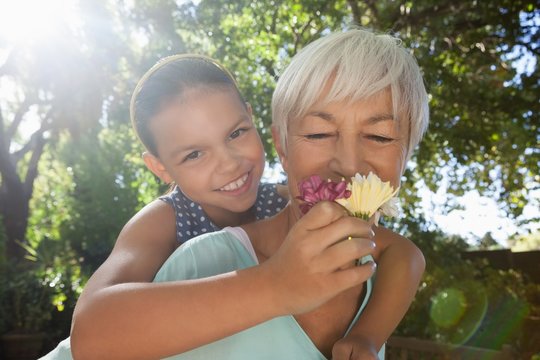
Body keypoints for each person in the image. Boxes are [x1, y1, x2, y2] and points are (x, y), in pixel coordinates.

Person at [43, 28, 426, 359]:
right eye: (194, 154)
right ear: (161, 168)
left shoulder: (280, 200)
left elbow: (400, 251)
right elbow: (92, 333)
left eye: (236, 133)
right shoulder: (166, 222)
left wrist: (368, 336)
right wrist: (277, 284)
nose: (229, 165)